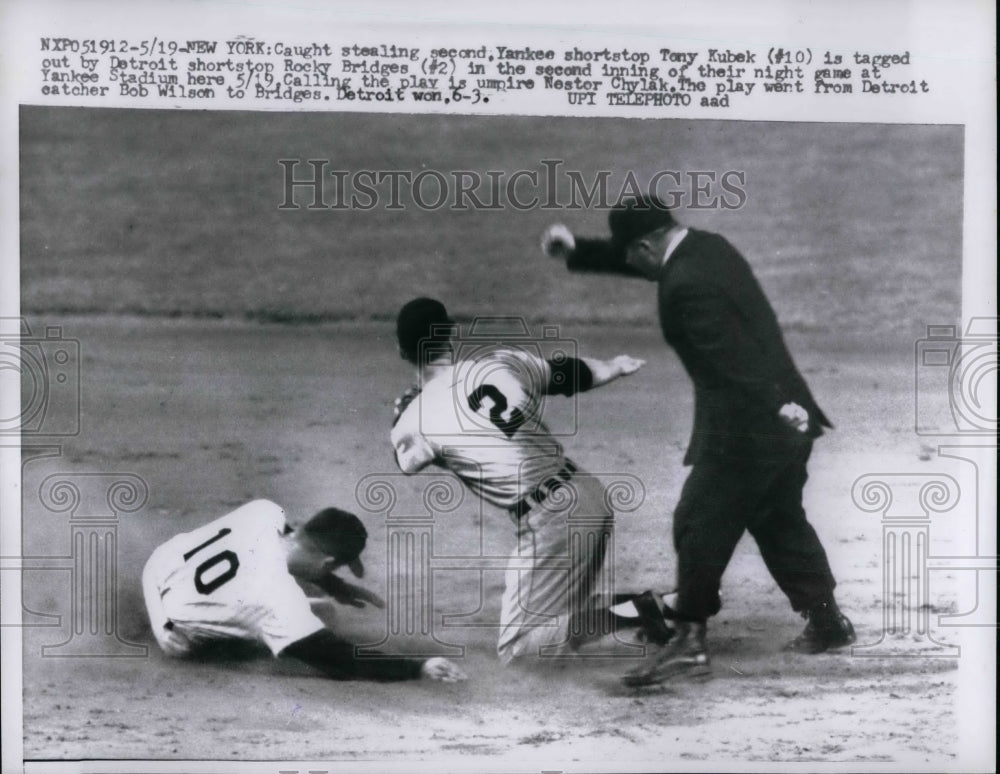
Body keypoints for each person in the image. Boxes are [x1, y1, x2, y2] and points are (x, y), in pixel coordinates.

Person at [541, 197, 855, 687]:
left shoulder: (685, 286)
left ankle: (688, 641)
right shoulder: (707, 249)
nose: (631, 265)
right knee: (777, 518)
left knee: (697, 520)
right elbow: (645, 260)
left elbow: (731, 360)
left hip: (752, 424)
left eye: (629, 254)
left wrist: (775, 406)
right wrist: (578, 250)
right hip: (787, 416)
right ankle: (828, 622)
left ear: (645, 245)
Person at [389, 297, 649, 664]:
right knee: (560, 622)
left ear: (401, 351)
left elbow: (407, 463)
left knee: (519, 653)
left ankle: (647, 609)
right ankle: (654, 611)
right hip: (588, 493)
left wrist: (399, 412)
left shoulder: (413, 419)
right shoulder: (497, 363)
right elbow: (566, 373)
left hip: (551, 521)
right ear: (451, 335)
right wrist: (614, 367)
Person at [142, 498, 466, 683]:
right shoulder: (278, 600)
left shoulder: (262, 512)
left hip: (161, 583)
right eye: (334, 568)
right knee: (319, 618)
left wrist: (333, 584)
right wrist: (418, 667)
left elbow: (156, 560)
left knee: (319, 609)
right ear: (327, 561)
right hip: (186, 640)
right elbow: (344, 661)